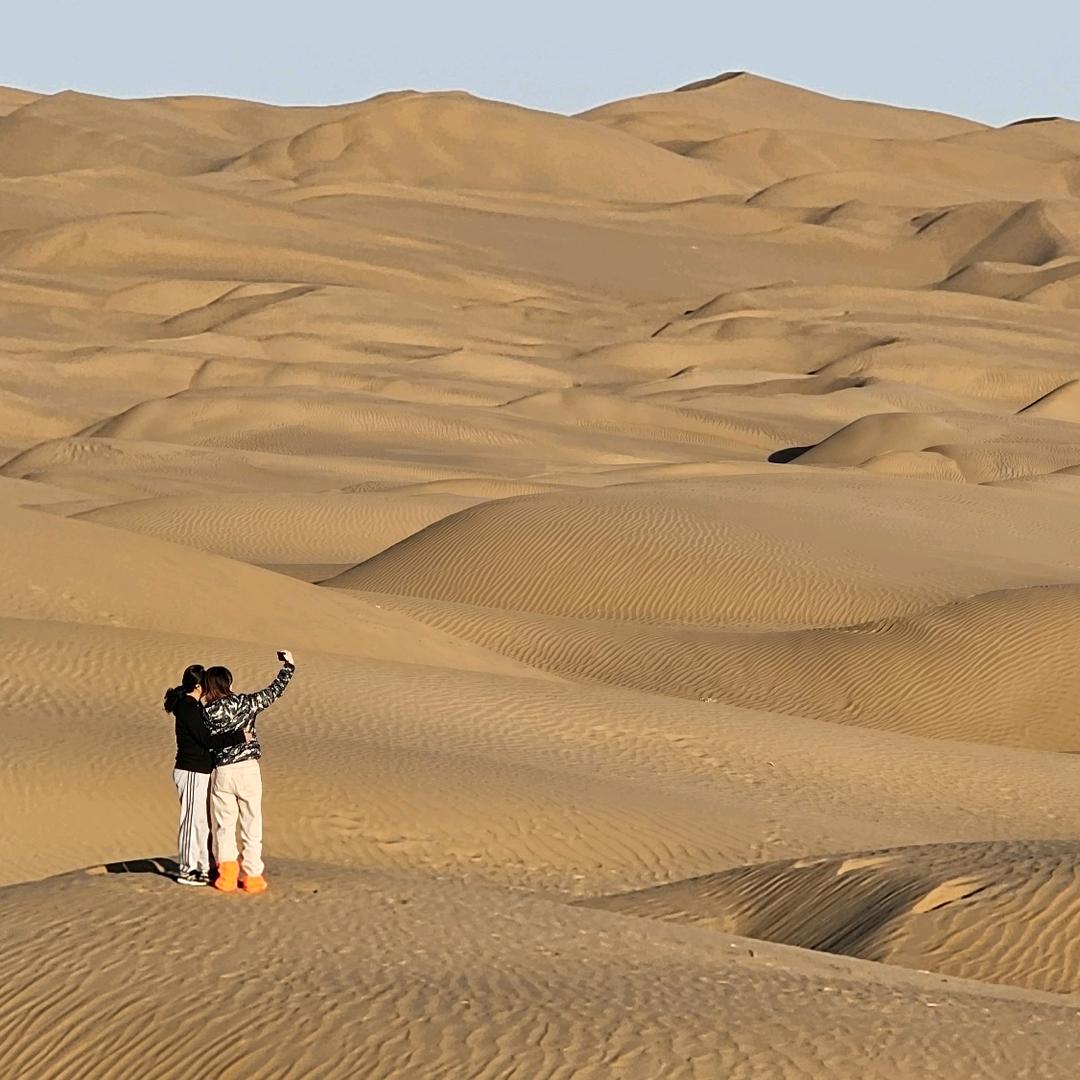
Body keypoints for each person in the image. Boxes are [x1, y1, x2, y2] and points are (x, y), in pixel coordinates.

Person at [202, 651, 296, 894]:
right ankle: (252, 875)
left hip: (222, 770)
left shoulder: (206, 712)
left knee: (224, 824)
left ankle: (227, 875)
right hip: (247, 769)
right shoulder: (245, 702)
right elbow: (273, 692)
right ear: (229, 683)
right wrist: (289, 666)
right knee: (252, 822)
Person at [163, 664, 247, 887]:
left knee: (201, 821)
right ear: (198, 686)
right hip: (190, 770)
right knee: (191, 821)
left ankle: (202, 867)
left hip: (199, 771)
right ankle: (187, 869)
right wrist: (239, 737)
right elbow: (207, 741)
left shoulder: (193, 706)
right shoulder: (188, 708)